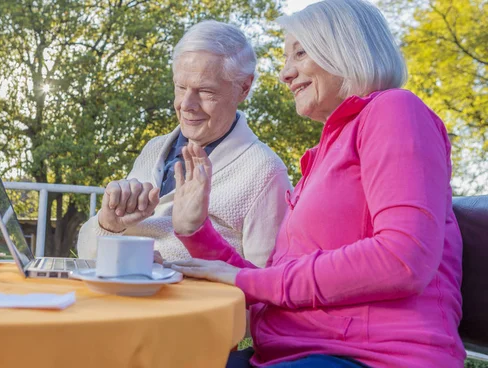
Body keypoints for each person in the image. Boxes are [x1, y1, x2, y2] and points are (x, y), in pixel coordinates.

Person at [165, 1, 465, 367]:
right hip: (292, 353)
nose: (284, 74)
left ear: (346, 48)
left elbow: (404, 257)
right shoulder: (325, 153)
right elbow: (273, 287)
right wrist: (195, 232)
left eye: (300, 53)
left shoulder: (395, 110)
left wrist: (249, 281)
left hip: (372, 357)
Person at [77, 20, 292, 267]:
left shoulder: (264, 172)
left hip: (186, 304)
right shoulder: (154, 150)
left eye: (205, 91)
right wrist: (108, 225)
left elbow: (266, 287)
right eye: (180, 87)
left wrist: (170, 271)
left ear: (244, 87)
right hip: (123, 295)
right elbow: (86, 254)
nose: (186, 104)